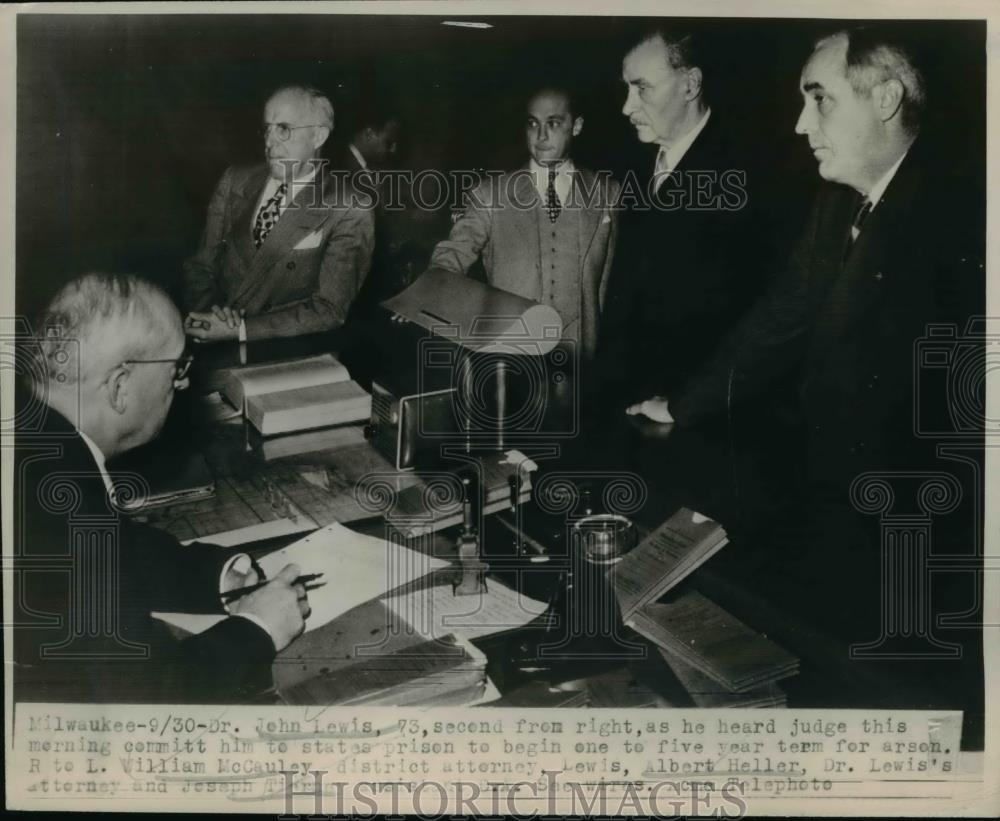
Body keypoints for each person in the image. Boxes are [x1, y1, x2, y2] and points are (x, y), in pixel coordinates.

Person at [14, 273, 310, 703]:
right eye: (177, 367)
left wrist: (217, 577)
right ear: (119, 386)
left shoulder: (37, 445)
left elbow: (113, 549)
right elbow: (145, 692)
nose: (183, 383)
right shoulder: (62, 506)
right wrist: (258, 629)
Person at [596, 27, 772, 406]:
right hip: (625, 395)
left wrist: (684, 402)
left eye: (642, 88)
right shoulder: (628, 163)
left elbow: (754, 316)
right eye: (627, 88)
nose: (627, 107)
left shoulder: (747, 175)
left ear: (690, 84)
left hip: (694, 407)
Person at [423, 85, 619, 361]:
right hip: (509, 361)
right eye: (532, 124)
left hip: (581, 362)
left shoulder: (608, 192)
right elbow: (453, 253)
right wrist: (424, 295)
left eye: (553, 123)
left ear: (576, 126)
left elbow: (607, 281)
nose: (541, 136)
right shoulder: (489, 194)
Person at [182, 84, 375, 342]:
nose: (269, 142)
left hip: (284, 355)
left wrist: (240, 330)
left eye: (283, 129)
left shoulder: (349, 206)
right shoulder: (234, 180)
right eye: (267, 129)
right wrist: (209, 316)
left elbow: (329, 309)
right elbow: (202, 265)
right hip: (213, 340)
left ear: (318, 137)